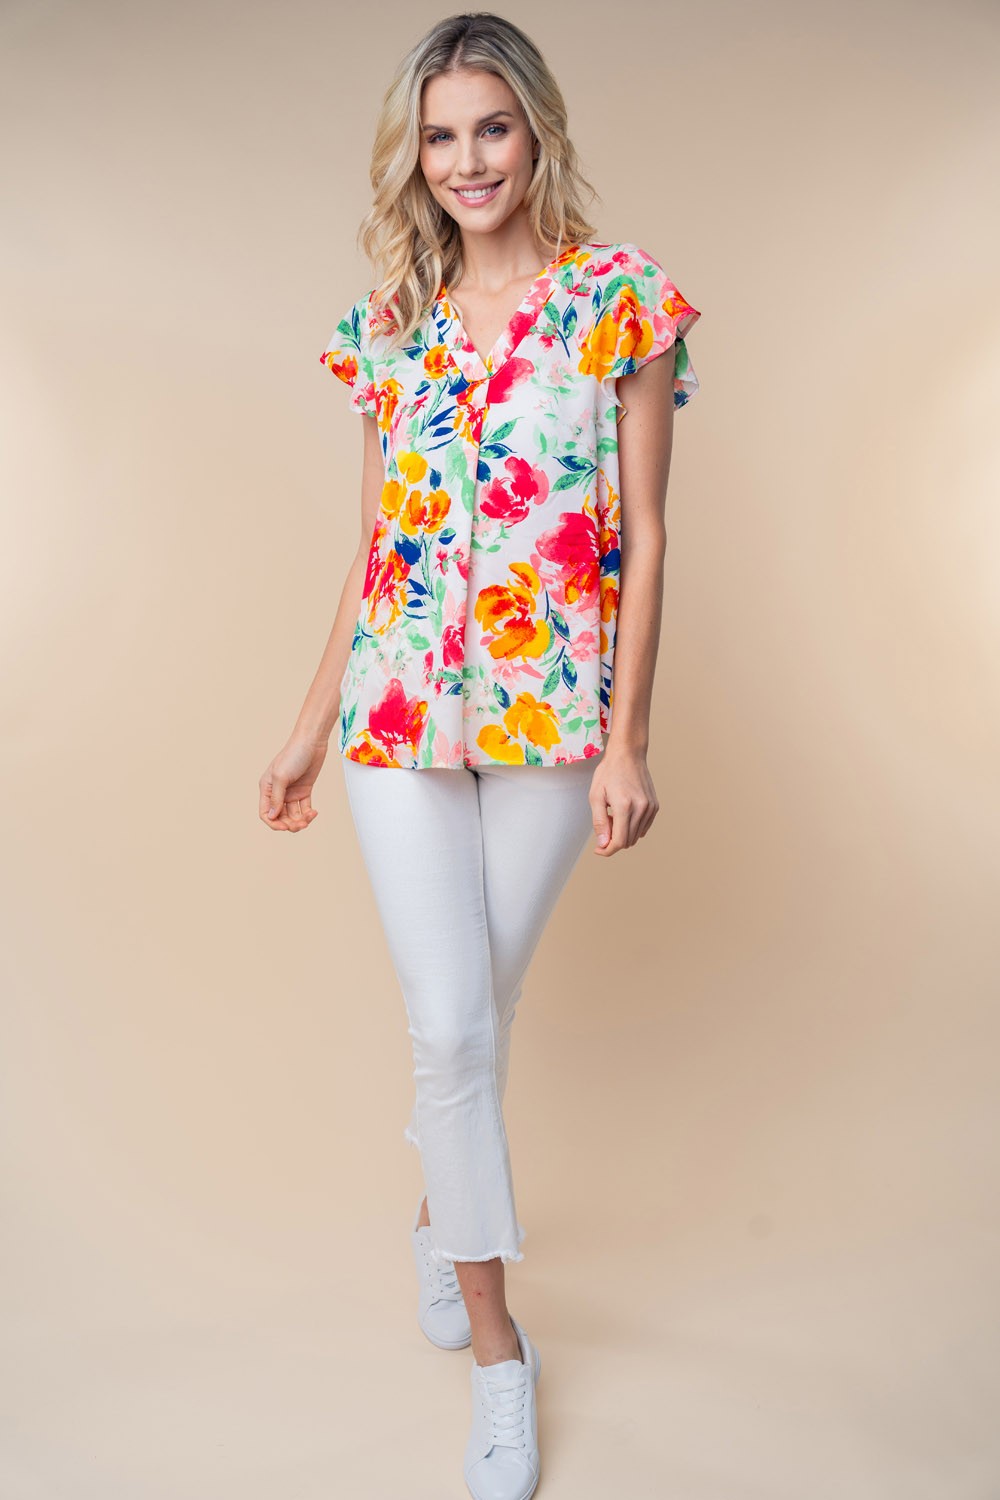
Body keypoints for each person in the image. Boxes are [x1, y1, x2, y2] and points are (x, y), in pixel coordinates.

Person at [259, 13, 701, 1498]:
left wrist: (630, 740)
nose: (466, 163)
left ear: (538, 133)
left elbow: (644, 540)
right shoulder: (390, 326)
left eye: (491, 130)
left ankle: (440, 1203)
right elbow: (378, 547)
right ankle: (504, 1359)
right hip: (396, 718)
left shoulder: (617, 303)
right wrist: (309, 726)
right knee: (452, 1031)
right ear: (417, 151)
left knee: (473, 1020)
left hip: (553, 723)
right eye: (440, 136)